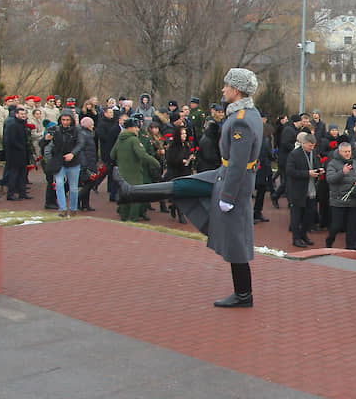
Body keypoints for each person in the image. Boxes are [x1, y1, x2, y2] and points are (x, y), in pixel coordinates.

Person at [111, 68, 264, 308]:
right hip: (226, 175)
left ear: (236, 90)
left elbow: (237, 163)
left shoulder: (242, 120)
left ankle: (244, 295)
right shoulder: (245, 113)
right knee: (184, 185)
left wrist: (227, 196)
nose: (223, 89)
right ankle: (130, 193)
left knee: (236, 240)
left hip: (234, 182)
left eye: (226, 86)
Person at [110, 116, 161, 222]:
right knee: (136, 197)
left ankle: (123, 218)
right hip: (135, 174)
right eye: (136, 127)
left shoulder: (120, 140)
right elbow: (142, 155)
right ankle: (133, 219)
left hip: (122, 173)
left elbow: (112, 155)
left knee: (125, 196)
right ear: (130, 128)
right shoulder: (134, 140)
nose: (138, 129)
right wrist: (155, 162)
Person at [326, 141, 356, 250]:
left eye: (349, 151)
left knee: (352, 225)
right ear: (340, 152)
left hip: (352, 199)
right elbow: (330, 179)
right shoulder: (332, 163)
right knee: (337, 225)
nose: (347, 154)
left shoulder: (354, 162)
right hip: (338, 200)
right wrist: (342, 172)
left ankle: (350, 246)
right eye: (345, 152)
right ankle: (329, 241)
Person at [285, 132, 320, 247]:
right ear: (304, 143)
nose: (312, 148)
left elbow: (315, 165)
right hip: (298, 190)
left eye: (313, 145)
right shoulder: (294, 154)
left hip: (311, 189)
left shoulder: (313, 153)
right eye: (310, 145)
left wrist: (318, 171)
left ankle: (303, 234)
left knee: (310, 214)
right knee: (296, 215)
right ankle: (296, 238)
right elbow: (290, 171)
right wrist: (307, 173)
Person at [51, 109, 86, 217]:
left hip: (73, 162)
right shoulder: (56, 130)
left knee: (73, 187)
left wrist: (73, 154)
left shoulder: (77, 130)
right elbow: (46, 145)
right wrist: (47, 139)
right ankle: (62, 208)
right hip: (59, 161)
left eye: (67, 120)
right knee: (59, 183)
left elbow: (81, 143)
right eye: (63, 120)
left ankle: (73, 208)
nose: (65, 122)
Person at [3, 106, 31, 201]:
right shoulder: (13, 125)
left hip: (22, 153)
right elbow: (10, 140)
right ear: (16, 114)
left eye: (24, 114)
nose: (23, 116)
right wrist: (20, 147)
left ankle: (22, 193)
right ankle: (10, 194)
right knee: (14, 174)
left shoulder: (22, 124)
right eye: (21, 114)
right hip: (14, 153)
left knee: (22, 174)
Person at [77, 116, 99, 212]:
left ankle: (85, 204)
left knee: (88, 182)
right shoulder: (84, 135)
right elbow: (81, 150)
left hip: (90, 160)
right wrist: (84, 164)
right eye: (91, 124)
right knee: (89, 183)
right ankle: (78, 199)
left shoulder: (88, 134)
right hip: (87, 162)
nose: (93, 126)